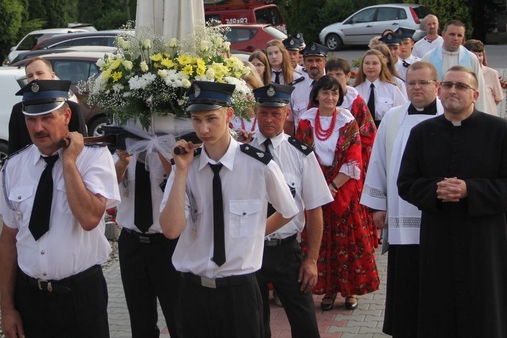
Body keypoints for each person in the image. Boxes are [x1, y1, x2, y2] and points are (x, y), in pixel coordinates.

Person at [160, 81, 298, 338]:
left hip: (239, 291)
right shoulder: (186, 167)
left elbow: (288, 210)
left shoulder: (258, 164)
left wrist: (257, 234)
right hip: (193, 290)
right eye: (196, 119)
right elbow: (170, 230)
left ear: (230, 115)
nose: (204, 129)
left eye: (212, 118)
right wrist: (180, 172)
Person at [397, 66, 507, 338]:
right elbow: (406, 184)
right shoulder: (422, 133)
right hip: (438, 237)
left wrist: (471, 190)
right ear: (440, 90)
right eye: (447, 85)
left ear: (475, 94)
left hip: (486, 240)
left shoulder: (501, 131)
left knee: (487, 308)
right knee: (440, 307)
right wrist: (435, 189)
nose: (452, 91)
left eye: (460, 86)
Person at [0, 80, 120, 337]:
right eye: (31, 119)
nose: (38, 127)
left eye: (47, 118)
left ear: (67, 115)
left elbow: (89, 218)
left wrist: (69, 161)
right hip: (31, 298)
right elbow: (8, 240)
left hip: (81, 296)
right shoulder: (14, 166)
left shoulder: (94, 158)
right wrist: (7, 308)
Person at [360, 61, 443, 338]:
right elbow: (379, 162)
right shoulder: (394, 117)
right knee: (407, 281)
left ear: (436, 85)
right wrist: (378, 206)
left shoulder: (450, 115)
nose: (416, 88)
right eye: (411, 83)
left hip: (441, 216)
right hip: (400, 214)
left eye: (423, 82)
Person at [250, 83, 332, 338]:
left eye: (276, 113)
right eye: (263, 112)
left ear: (287, 114)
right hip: (251, 251)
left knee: (305, 325)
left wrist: (311, 260)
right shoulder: (241, 152)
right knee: (254, 326)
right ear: (255, 112)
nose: (269, 119)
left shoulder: (301, 154)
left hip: (287, 251)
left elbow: (315, 208)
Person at [296, 76, 380, 311]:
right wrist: (316, 187)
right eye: (325, 93)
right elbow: (300, 154)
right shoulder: (305, 120)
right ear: (316, 95)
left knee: (347, 243)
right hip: (314, 187)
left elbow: (354, 157)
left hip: (341, 190)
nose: (330, 97)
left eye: (334, 93)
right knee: (320, 243)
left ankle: (350, 291)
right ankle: (329, 291)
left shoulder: (347, 119)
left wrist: (332, 187)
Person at [113, 142, 182, 338]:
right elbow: (107, 187)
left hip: (168, 243)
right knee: (140, 320)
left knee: (178, 316)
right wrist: (122, 162)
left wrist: (162, 149)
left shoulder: (173, 147)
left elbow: (183, 183)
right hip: (132, 242)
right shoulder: (123, 147)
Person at [325, 57, 379, 247]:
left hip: (351, 166)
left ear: (348, 77)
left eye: (338, 74)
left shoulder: (356, 102)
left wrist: (345, 149)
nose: (334, 78)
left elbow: (370, 135)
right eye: (330, 74)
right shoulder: (319, 99)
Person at [8, 56, 87, 155]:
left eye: (40, 73)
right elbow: (14, 149)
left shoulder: (72, 108)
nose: (35, 78)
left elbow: (81, 145)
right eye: (30, 75)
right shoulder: (19, 110)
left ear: (52, 75)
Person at [421, 19, 487, 112]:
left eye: (459, 35)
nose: (455, 38)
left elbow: (479, 87)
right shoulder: (429, 58)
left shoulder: (471, 58)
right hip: (436, 112)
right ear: (443, 35)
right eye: (452, 34)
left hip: (464, 112)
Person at [353, 49, 407, 127]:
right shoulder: (355, 90)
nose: (370, 67)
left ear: (381, 66)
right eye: (367, 63)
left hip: (386, 128)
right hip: (362, 132)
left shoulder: (392, 88)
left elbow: (403, 111)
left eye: (375, 63)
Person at [287, 42, 328, 135]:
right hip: (301, 141)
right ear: (304, 63)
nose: (314, 64)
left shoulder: (334, 87)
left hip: (327, 140)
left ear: (325, 62)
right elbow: (289, 122)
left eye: (318, 60)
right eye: (310, 61)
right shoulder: (294, 88)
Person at [463, 39, 504, 116]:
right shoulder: (462, 75)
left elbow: (498, 98)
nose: (478, 58)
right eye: (474, 56)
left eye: (480, 55)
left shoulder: (492, 74)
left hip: (488, 115)